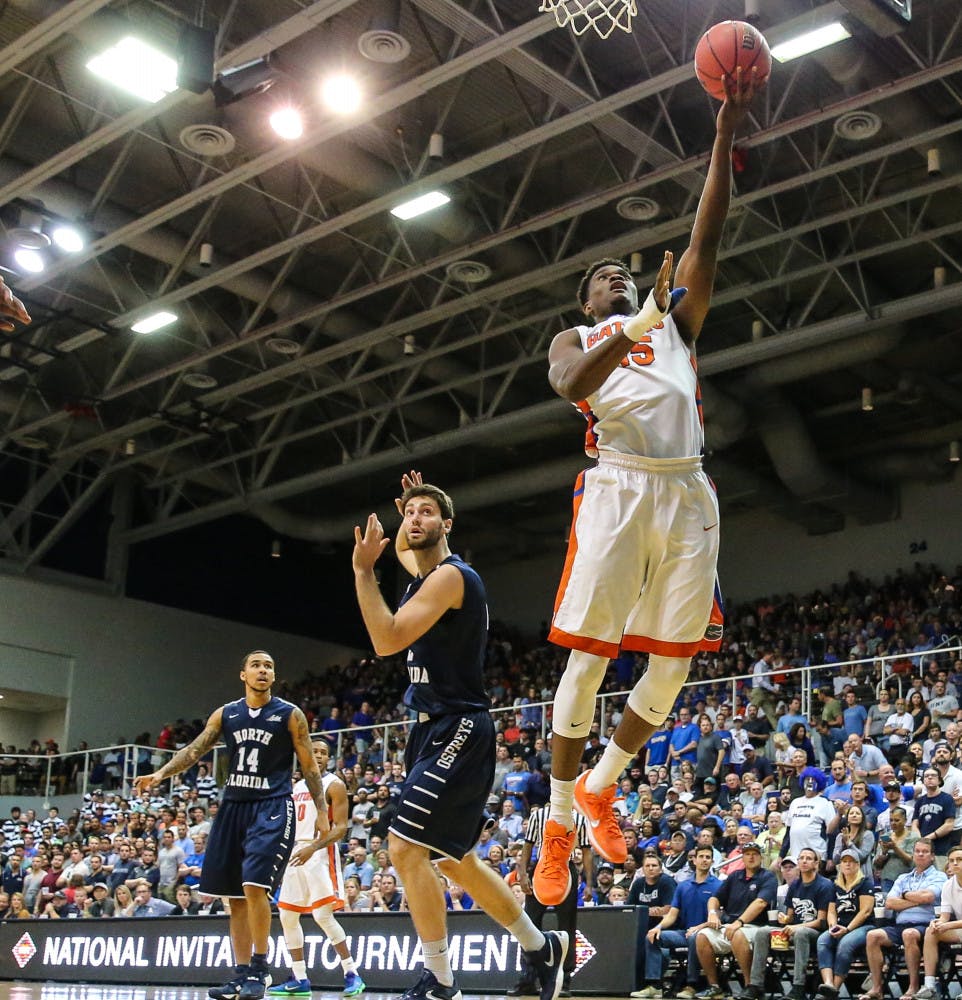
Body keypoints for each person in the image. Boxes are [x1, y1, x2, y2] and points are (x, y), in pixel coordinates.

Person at [531, 75, 759, 906]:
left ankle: (601, 785)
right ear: (586, 299)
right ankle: (559, 819)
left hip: (688, 492)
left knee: (670, 672)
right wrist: (626, 325)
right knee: (590, 662)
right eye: (603, 277)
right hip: (619, 489)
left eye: (625, 273)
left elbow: (710, 229)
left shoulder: (676, 323)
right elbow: (569, 386)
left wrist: (724, 132)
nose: (618, 277)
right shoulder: (580, 335)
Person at [352, 473, 567, 1000]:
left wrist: (363, 573)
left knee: (404, 849)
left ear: (449, 525)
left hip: (460, 727)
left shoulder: (451, 578)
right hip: (429, 731)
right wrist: (410, 505)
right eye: (411, 513)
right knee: (453, 859)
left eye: (429, 513)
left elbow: (384, 640)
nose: (415, 520)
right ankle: (542, 949)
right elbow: (405, 544)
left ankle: (440, 979)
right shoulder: (422, 570)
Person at [134, 650, 325, 1000]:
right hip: (234, 805)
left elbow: (310, 766)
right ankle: (240, 974)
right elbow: (195, 750)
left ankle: (261, 969)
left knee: (254, 887)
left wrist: (322, 812)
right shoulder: (227, 713)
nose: (263, 670)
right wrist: (161, 773)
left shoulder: (289, 714)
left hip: (271, 805)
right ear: (243, 675)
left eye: (269, 666)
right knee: (234, 896)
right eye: (256, 665)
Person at [267, 739, 365, 998]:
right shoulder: (296, 786)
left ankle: (352, 973)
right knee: (287, 917)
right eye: (315, 752)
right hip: (294, 853)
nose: (319, 756)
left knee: (323, 916)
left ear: (329, 758)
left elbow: (341, 828)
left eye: (324, 753)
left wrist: (313, 847)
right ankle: (299, 978)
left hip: (320, 852)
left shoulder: (335, 785)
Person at [512, 804, 592, 998]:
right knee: (529, 926)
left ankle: (564, 981)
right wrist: (522, 874)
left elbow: (587, 851)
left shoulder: (579, 819)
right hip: (540, 868)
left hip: (566, 869)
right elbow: (528, 845)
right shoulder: (538, 816)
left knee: (567, 926)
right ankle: (527, 980)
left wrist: (590, 883)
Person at [860, 839, 946, 1000]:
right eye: (917, 851)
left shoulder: (939, 876)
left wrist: (905, 895)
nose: (920, 854)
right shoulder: (903, 878)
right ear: (913, 854)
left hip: (926, 926)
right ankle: (877, 989)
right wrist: (916, 899)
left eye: (925, 851)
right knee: (873, 936)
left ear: (932, 856)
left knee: (909, 933)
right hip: (899, 925)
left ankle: (913, 987)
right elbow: (890, 902)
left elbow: (928, 896)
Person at [693, 841, 777, 1000]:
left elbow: (760, 903)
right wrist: (712, 913)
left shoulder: (768, 877)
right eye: (747, 854)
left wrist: (739, 922)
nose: (751, 857)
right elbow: (715, 899)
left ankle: (750, 986)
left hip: (757, 927)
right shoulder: (734, 876)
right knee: (702, 936)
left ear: (761, 857)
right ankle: (714, 986)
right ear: (742, 857)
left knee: (738, 934)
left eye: (755, 854)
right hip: (730, 925)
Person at [749, 846, 833, 1000]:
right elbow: (790, 916)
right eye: (801, 858)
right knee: (762, 932)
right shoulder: (794, 885)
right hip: (795, 930)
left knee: (801, 933)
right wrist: (785, 919)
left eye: (809, 858)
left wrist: (794, 926)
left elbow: (821, 921)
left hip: (815, 934)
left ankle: (798, 987)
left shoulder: (825, 885)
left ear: (816, 863)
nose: (804, 861)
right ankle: (756, 985)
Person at [641, 844, 721, 1000]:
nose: (704, 860)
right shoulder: (683, 886)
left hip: (708, 933)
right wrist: (658, 927)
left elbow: (720, 916)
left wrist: (699, 928)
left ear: (712, 862)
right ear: (694, 860)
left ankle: (692, 985)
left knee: (694, 937)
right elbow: (672, 915)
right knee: (652, 936)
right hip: (683, 932)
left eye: (708, 857)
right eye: (701, 857)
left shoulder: (719, 885)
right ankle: (655, 985)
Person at [815, 847, 876, 998]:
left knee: (845, 943)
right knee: (823, 940)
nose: (848, 864)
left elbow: (866, 911)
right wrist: (833, 926)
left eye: (851, 861)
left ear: (857, 865)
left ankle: (834, 989)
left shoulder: (865, 882)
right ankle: (828, 983)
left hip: (863, 926)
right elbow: (831, 910)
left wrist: (847, 929)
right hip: (840, 925)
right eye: (844, 861)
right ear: (839, 865)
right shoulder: (834, 885)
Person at [913, 844, 962, 1000]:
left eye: (959, 860)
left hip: (958, 926)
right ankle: (929, 986)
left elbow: (950, 923)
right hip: (959, 929)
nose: (955, 863)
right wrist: (937, 923)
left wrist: (948, 925)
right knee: (931, 931)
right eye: (952, 860)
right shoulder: (948, 885)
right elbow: (944, 917)